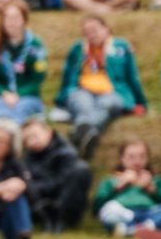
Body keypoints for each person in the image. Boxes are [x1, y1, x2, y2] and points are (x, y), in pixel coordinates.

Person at [55, 15, 147, 159]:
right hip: (83, 90)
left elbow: (132, 76)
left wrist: (140, 102)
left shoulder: (120, 46)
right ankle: (90, 133)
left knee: (106, 104)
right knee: (82, 104)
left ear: (106, 29)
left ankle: (80, 132)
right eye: (87, 32)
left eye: (95, 30)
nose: (92, 34)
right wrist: (63, 97)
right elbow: (68, 75)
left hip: (113, 92)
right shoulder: (78, 48)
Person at [93, 139, 161, 239]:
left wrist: (152, 189)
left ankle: (129, 231)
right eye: (131, 157)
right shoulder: (110, 181)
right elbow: (97, 207)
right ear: (122, 158)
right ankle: (147, 228)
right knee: (110, 209)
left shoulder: (157, 180)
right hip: (123, 214)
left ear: (148, 158)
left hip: (151, 213)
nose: (137, 161)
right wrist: (119, 186)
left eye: (142, 156)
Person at [0, 1, 47, 122]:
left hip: (28, 96)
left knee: (22, 109)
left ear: (24, 20)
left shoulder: (35, 45)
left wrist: (19, 93)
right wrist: (3, 93)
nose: (12, 23)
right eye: (8, 18)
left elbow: (38, 78)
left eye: (16, 18)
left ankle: (13, 133)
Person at [19, 119, 91, 232]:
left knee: (81, 169)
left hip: (64, 203)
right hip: (39, 202)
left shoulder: (66, 153)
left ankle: (59, 220)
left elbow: (61, 182)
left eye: (34, 136)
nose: (31, 141)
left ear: (49, 132)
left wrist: (34, 185)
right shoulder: (29, 157)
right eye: (26, 139)